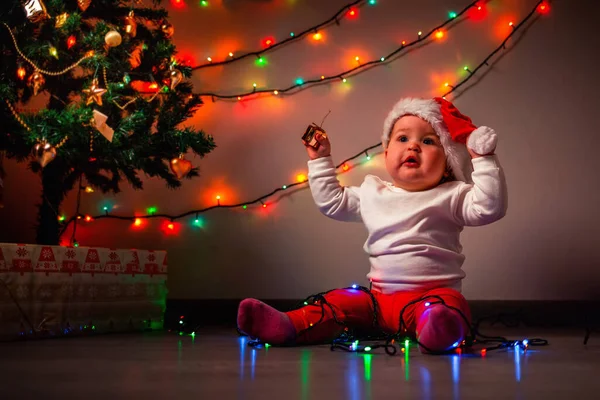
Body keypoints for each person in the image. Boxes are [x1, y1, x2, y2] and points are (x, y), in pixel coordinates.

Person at [237, 97, 507, 353]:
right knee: (339, 302)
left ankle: (438, 330)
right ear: (387, 152)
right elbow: (333, 202)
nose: (413, 146)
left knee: (449, 306)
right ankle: (288, 325)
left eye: (427, 141)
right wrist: (320, 160)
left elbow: (488, 207)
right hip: (378, 302)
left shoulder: (453, 194)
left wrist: (483, 158)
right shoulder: (373, 192)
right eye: (403, 138)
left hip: (431, 298)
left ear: (448, 162)